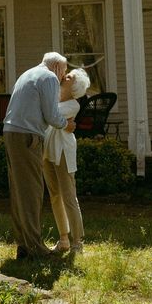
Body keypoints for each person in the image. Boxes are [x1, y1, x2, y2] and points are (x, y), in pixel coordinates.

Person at [3, 52, 75, 259]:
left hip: (11, 133)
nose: (64, 77)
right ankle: (35, 248)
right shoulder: (50, 77)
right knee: (32, 192)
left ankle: (23, 245)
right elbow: (51, 115)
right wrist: (67, 124)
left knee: (18, 191)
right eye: (64, 71)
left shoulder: (28, 73)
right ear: (58, 67)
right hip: (27, 136)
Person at [43, 68, 90, 254]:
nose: (64, 76)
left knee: (69, 196)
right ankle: (63, 239)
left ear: (75, 88)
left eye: (69, 77)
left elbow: (48, 115)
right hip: (47, 151)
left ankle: (77, 242)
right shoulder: (53, 97)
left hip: (63, 151)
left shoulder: (73, 105)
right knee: (54, 195)